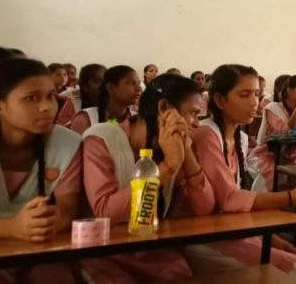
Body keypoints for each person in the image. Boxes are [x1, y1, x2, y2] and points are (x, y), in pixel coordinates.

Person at [191, 65, 296, 282]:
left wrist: (270, 237)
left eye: (255, 94)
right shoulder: (207, 134)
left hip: (226, 226)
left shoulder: (240, 139)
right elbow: (229, 199)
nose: (254, 102)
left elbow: (234, 203)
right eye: (244, 95)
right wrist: (292, 197)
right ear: (220, 100)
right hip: (199, 233)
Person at [81, 74, 212, 281]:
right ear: (164, 108)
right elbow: (105, 212)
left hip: (151, 249)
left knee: (180, 274)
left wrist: (186, 154)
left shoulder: (171, 147)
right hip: (103, 251)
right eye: (193, 113)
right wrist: (168, 167)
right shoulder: (101, 138)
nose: (197, 123)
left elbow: (203, 208)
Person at [0, 58, 82, 283]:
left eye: (50, 96)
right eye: (31, 98)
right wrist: (11, 228)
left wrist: (46, 223)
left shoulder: (67, 144)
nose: (46, 107)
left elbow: (66, 209)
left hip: (39, 251)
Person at [251, 75, 296, 192]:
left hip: (294, 154)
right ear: (290, 91)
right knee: (271, 172)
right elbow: (286, 131)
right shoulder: (273, 108)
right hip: (270, 153)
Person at [69, 65, 141, 135]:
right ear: (110, 88)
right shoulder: (87, 119)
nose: (139, 89)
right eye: (131, 83)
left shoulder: (138, 120)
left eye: (138, 83)